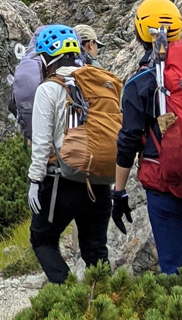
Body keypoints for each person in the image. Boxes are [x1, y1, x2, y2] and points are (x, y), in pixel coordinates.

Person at [111, 0, 182, 302]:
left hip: (167, 187)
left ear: (139, 32)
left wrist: (119, 192)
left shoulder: (141, 82)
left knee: (176, 270)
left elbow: (129, 141)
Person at [28, 25, 122, 284]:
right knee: (95, 249)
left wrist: (35, 182)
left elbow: (42, 143)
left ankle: (69, 296)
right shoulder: (98, 80)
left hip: (62, 180)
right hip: (101, 180)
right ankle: (106, 303)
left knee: (43, 238)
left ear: (47, 57)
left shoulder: (49, 88)